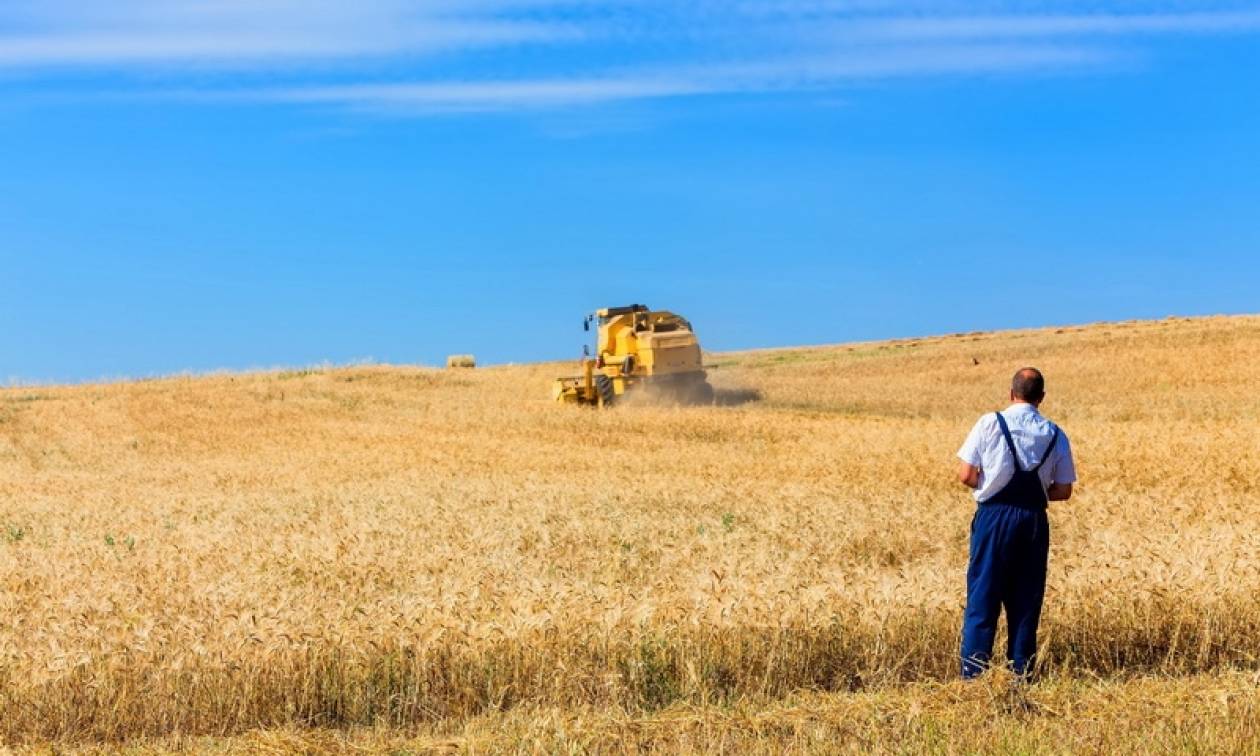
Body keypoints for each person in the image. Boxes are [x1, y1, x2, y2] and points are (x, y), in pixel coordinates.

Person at [956, 367, 1076, 679]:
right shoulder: (1055, 433)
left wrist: (993, 482)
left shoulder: (989, 423)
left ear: (1011, 394)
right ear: (1042, 398)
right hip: (1033, 520)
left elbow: (966, 475)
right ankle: (1021, 675)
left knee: (983, 596)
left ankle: (974, 677)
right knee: (1025, 600)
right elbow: (1063, 490)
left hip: (993, 518)